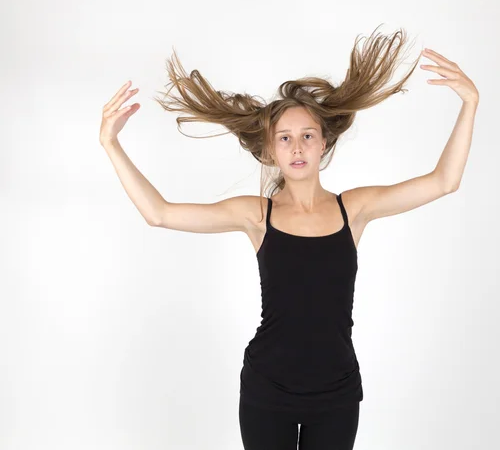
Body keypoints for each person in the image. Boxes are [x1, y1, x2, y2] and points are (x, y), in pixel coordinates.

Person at [98, 25, 479, 450]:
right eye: (285, 139)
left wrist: (470, 103)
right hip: (267, 391)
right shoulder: (257, 215)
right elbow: (159, 213)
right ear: (271, 151)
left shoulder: (353, 209)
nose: (297, 147)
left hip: (337, 393)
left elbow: (444, 181)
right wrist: (111, 144)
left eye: (307, 136)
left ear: (324, 144)